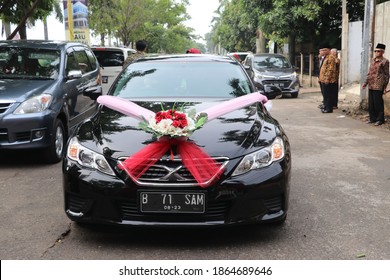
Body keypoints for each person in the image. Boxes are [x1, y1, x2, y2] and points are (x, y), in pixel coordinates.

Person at [362, 43, 389, 126]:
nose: (376, 52)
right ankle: (372, 118)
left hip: (378, 84)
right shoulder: (373, 60)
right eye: (375, 51)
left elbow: (387, 74)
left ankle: (380, 119)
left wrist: (385, 86)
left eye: (378, 51)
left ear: (382, 52)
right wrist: (365, 83)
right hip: (371, 84)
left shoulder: (385, 61)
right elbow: (369, 73)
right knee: (371, 103)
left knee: (378, 103)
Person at [318, 46, 338, 113]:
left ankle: (329, 108)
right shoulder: (326, 57)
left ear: (328, 50)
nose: (323, 51)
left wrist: (327, 79)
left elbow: (330, 69)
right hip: (323, 79)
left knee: (328, 94)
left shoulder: (331, 58)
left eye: (325, 50)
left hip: (328, 80)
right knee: (325, 95)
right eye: (322, 50)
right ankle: (326, 107)